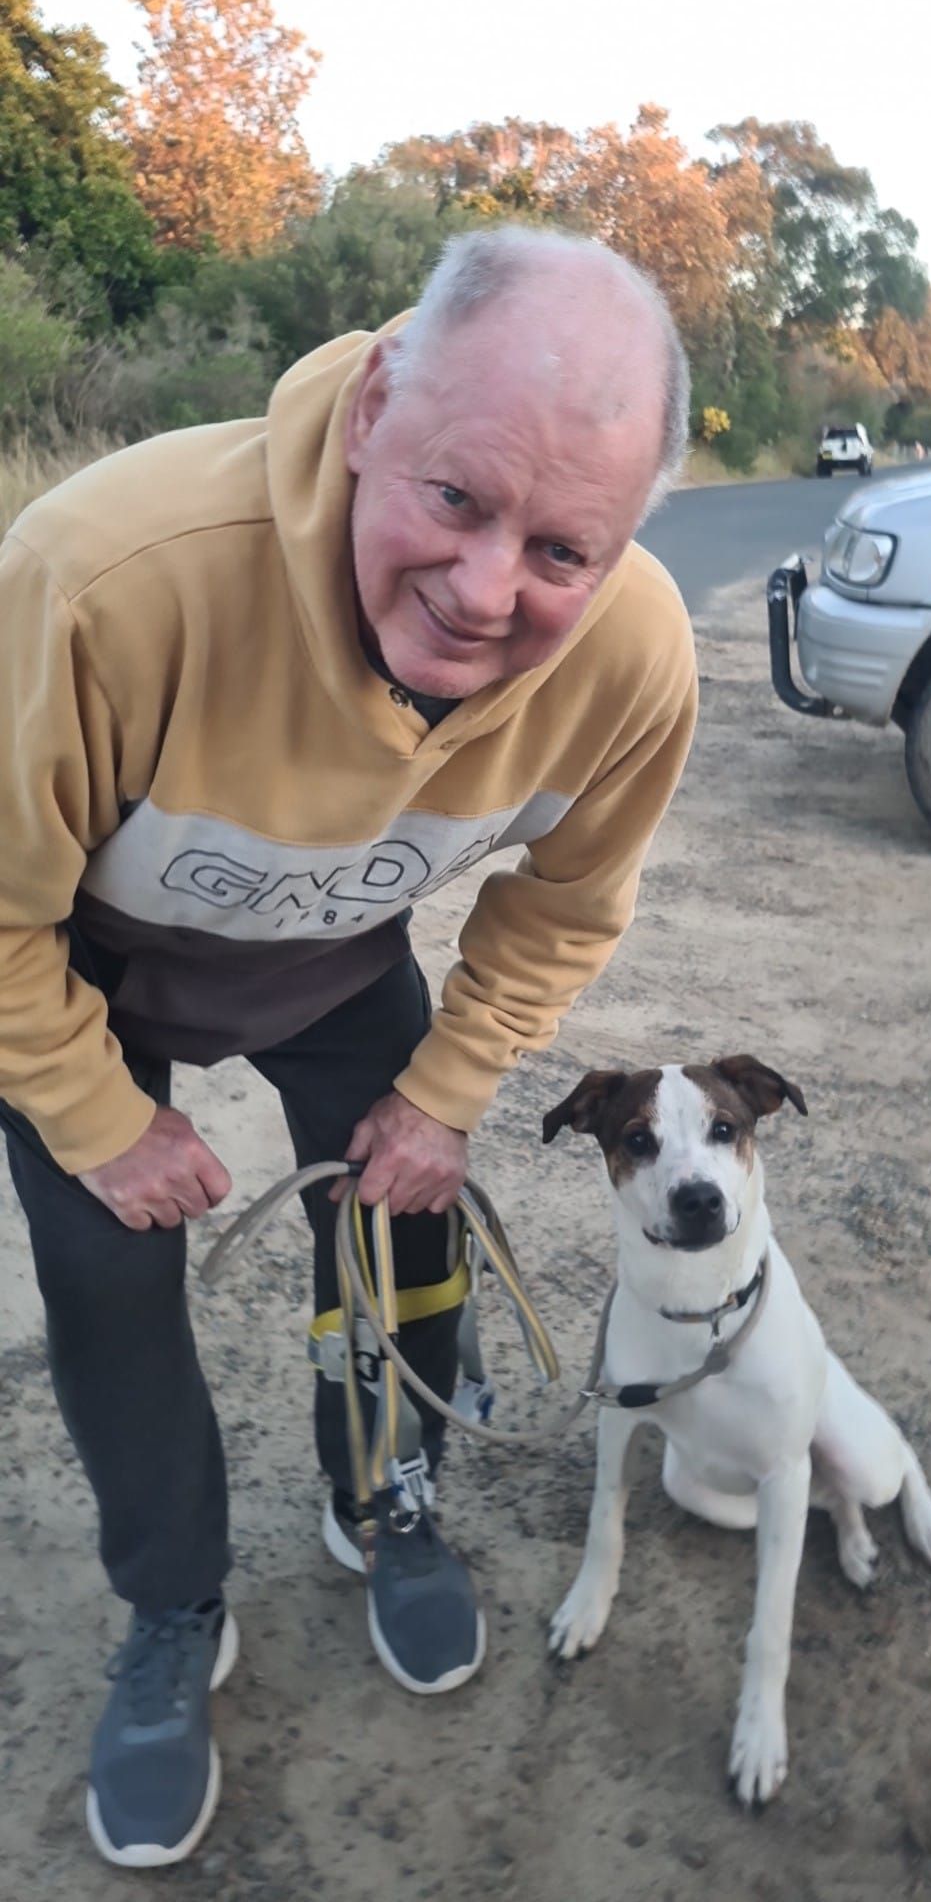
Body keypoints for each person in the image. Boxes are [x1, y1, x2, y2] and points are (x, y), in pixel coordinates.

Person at [0, 225, 697, 1867]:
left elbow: (568, 905)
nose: (483, 593)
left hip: (330, 955)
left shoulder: (636, 657)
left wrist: (450, 1091)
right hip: (84, 956)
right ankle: (173, 1605)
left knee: (407, 1228)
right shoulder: (103, 576)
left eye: (559, 552)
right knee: (109, 1284)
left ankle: (385, 1494)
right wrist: (98, 1115)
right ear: (379, 399)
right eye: (456, 499)